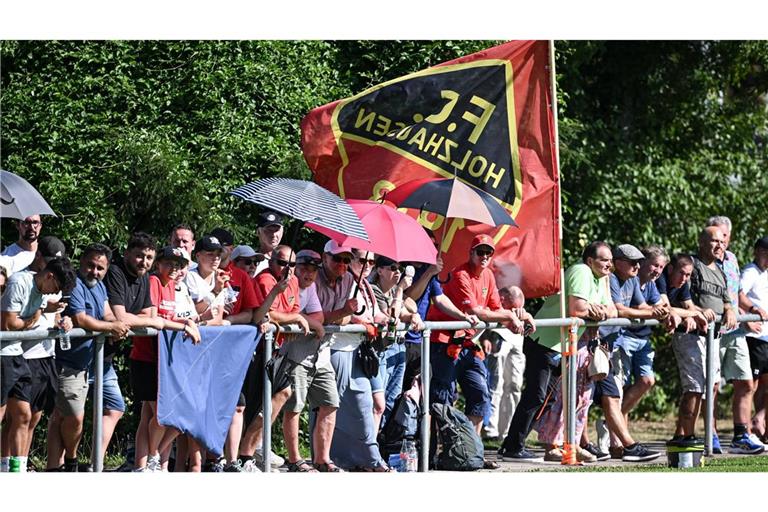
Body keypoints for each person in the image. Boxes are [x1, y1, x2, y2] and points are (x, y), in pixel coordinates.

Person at [427, 234, 526, 436]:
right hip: (444, 342)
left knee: (481, 394)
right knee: (443, 398)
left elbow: (496, 309)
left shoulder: (488, 275)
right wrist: (508, 316)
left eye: (488, 252)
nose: (485, 256)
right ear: (471, 253)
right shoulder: (460, 274)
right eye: (480, 251)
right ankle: (439, 450)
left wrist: (521, 317)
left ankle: (471, 449)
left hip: (467, 343)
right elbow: (477, 312)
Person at [45, 244, 130, 471]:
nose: (94, 271)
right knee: (72, 417)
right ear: (81, 262)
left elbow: (106, 312)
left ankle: (58, 467)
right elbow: (81, 319)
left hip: (90, 363)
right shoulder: (75, 284)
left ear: (107, 268)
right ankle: (68, 462)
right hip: (69, 363)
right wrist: (111, 328)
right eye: (90, 265)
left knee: (67, 416)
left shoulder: (99, 286)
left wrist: (115, 324)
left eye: (100, 268)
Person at [589, 244, 669, 460]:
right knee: (590, 397)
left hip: (610, 343)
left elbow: (643, 307)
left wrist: (660, 312)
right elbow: (619, 310)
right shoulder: (611, 278)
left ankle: (622, 446)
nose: (637, 265)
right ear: (618, 262)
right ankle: (614, 445)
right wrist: (653, 312)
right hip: (596, 342)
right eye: (633, 262)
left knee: (612, 395)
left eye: (639, 261)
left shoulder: (632, 279)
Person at [1, 257, 77, 473]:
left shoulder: (42, 292)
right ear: (49, 276)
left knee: (25, 415)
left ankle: (15, 470)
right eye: (56, 288)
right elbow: (7, 324)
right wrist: (32, 321)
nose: (53, 292)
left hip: (17, 356)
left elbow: (43, 309)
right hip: (3, 355)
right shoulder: (19, 282)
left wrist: (61, 316)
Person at [238, 244, 308, 472]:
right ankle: (244, 454)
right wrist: (292, 317)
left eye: (292, 264)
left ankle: (249, 451)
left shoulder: (294, 281)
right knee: (253, 402)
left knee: (280, 394)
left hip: (276, 348)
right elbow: (267, 313)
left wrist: (291, 317)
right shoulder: (266, 279)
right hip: (257, 349)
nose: (287, 268)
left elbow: (291, 310)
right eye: (282, 263)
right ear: (271, 262)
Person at [132, 246, 201, 473]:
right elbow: (155, 319)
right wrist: (184, 324)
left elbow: (168, 317)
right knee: (163, 414)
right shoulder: (153, 281)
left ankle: (151, 460)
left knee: (163, 415)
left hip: (165, 358)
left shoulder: (172, 286)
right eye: (169, 263)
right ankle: (147, 462)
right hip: (146, 357)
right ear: (159, 263)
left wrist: (189, 320)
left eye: (179, 265)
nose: (174, 269)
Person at [314, 239, 382, 471]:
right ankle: (322, 458)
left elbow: (342, 316)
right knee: (327, 405)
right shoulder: (316, 279)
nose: (342, 264)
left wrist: (351, 316)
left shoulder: (355, 282)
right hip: (331, 348)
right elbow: (321, 317)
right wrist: (348, 315)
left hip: (355, 350)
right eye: (338, 259)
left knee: (367, 404)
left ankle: (371, 458)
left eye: (346, 260)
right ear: (325, 258)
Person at [668, 227, 739, 445]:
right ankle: (687, 439)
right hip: (691, 335)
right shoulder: (693, 265)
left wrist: (728, 309)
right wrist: (694, 313)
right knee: (695, 388)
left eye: (722, 241)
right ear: (701, 242)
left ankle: (686, 435)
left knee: (711, 386)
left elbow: (725, 297)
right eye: (714, 241)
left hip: (713, 335)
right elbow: (681, 295)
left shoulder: (719, 268)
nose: (720, 245)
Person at [706, 216, 765, 454]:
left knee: (746, 382)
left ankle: (742, 435)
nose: (721, 242)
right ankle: (711, 434)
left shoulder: (731, 259)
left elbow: (737, 292)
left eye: (725, 237)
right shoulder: (701, 261)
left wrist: (750, 309)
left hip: (735, 329)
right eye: (716, 237)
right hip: (714, 332)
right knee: (712, 385)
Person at [280, 249, 339, 472]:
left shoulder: (311, 287)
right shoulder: (288, 284)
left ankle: (323, 459)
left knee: (330, 402)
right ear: (295, 267)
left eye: (314, 269)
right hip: (295, 355)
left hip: (319, 356)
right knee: (294, 407)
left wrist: (303, 319)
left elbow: (319, 317)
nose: (309, 274)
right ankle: (295, 460)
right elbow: (282, 315)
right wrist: (305, 321)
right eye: (304, 268)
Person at [403, 229, 478, 393]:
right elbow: (409, 298)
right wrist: (430, 272)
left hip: (419, 339)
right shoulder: (404, 267)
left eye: (435, 245)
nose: (434, 248)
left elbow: (439, 299)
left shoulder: (428, 269)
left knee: (417, 391)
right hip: (402, 338)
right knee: (396, 392)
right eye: (430, 244)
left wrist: (463, 316)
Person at [369, 254, 423, 429]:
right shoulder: (373, 289)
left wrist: (412, 316)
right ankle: (371, 447)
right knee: (379, 402)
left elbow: (404, 312)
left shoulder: (392, 290)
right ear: (380, 270)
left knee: (392, 399)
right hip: (381, 350)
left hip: (399, 347)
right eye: (393, 268)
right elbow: (390, 317)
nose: (397, 272)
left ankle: (381, 444)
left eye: (399, 268)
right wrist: (400, 290)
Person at [480, 285, 529, 441]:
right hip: (498, 337)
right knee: (496, 385)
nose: (514, 311)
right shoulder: (491, 297)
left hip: (517, 340)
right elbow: (484, 314)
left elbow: (523, 315)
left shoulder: (517, 305)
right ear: (502, 299)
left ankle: (507, 431)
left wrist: (524, 314)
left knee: (515, 385)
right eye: (512, 307)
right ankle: (490, 430)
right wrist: (485, 337)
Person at [739, 236, 768, 442]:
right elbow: (738, 294)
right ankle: (747, 428)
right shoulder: (750, 271)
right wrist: (748, 316)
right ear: (757, 251)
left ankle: (760, 420)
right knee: (753, 384)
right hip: (755, 336)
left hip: (766, 335)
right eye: (766, 253)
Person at [253, 210, 284, 276]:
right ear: (258, 232)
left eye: (277, 230)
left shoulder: (288, 262)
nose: (273, 234)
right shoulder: (250, 260)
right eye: (269, 230)